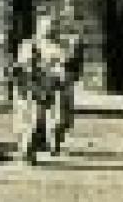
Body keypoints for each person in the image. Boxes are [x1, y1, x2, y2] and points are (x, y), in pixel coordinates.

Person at [10, 15, 75, 163]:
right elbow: (21, 68)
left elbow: (64, 67)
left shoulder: (59, 47)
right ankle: (28, 151)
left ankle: (46, 143)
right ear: (39, 28)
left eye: (52, 27)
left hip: (49, 86)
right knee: (31, 120)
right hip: (32, 87)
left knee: (54, 118)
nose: (49, 30)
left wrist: (61, 75)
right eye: (46, 27)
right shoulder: (30, 45)